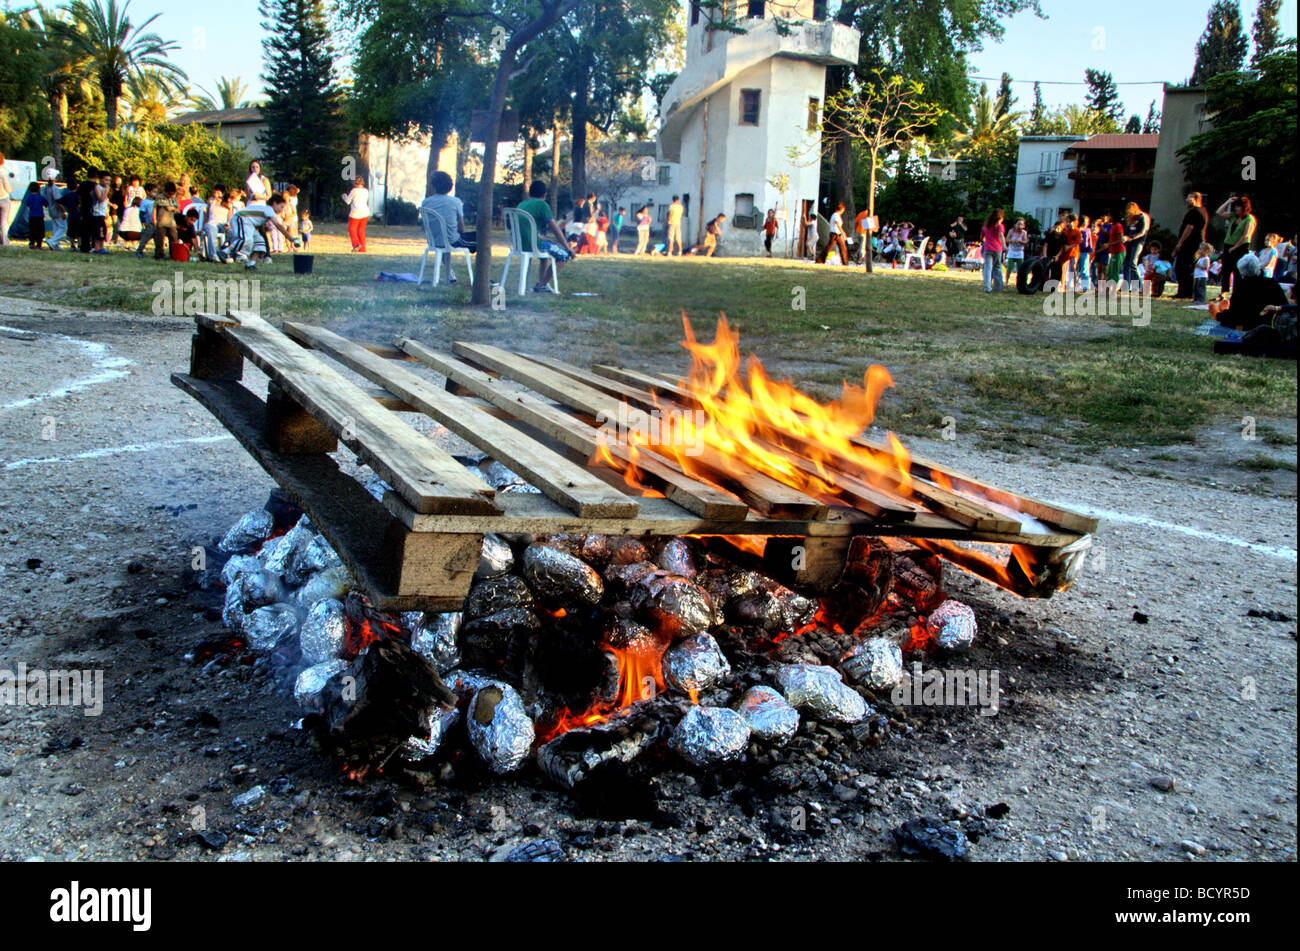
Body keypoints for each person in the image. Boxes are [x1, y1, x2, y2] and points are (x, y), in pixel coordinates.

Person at [516, 180, 573, 292]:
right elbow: (555, 228)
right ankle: (541, 285)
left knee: (546, 254)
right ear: (544, 194)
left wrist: (548, 239)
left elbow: (529, 230)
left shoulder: (521, 204)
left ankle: (541, 284)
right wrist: (567, 247)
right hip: (533, 245)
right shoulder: (542, 204)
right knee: (563, 255)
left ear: (530, 193)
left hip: (519, 244)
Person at [420, 170, 476, 282]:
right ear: (450, 186)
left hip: (434, 241)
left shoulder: (425, 203)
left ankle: (450, 274)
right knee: (483, 240)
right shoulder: (455, 202)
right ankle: (482, 277)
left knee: (444, 240)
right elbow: (461, 228)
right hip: (452, 240)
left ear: (433, 185)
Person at [1214, 253, 1286, 330]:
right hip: (1268, 321)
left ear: (1241, 271)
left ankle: (1218, 313)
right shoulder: (1272, 283)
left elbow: (1234, 310)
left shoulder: (1241, 287)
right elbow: (1283, 304)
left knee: (1226, 316)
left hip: (1247, 321)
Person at [226, 192, 297, 270]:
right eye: (281, 206)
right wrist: (290, 238)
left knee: (260, 244)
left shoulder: (265, 210)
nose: (282, 210)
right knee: (246, 240)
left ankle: (251, 264)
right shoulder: (269, 209)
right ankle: (224, 252)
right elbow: (278, 225)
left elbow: (258, 223)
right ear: (274, 203)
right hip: (241, 218)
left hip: (249, 223)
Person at [1170, 192, 1208, 299]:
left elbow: (1189, 228)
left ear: (1196, 199)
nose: (1187, 200)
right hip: (1197, 243)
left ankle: (1184, 292)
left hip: (1190, 243)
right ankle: (1186, 292)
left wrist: (1180, 242)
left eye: (1189, 198)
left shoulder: (1194, 212)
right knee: (1188, 268)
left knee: (1182, 267)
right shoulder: (1203, 211)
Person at [1215, 194, 1256, 293]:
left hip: (1240, 247)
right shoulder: (1233, 216)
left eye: (1239, 206)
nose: (1236, 208)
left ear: (1244, 207)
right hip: (1228, 245)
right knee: (1226, 271)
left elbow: (1246, 235)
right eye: (1236, 206)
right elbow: (1219, 212)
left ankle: (1237, 293)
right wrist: (1228, 202)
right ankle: (1224, 293)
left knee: (1238, 271)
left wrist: (1235, 247)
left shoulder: (1249, 219)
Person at [1120, 201, 1150, 289]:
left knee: (1132, 263)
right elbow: (1127, 229)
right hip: (1128, 242)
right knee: (1126, 263)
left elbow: (1143, 231)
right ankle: (1126, 285)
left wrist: (1131, 237)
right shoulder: (1131, 218)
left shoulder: (1143, 216)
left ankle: (1139, 286)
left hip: (1138, 242)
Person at [149, 182, 179, 260]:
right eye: (169, 194)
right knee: (160, 240)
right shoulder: (160, 197)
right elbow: (165, 208)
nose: (171, 195)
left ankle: (174, 255)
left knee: (174, 239)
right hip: (161, 222)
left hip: (171, 222)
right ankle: (159, 255)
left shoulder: (174, 199)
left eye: (173, 194)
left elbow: (178, 209)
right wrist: (154, 218)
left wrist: (174, 209)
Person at [342, 176, 370, 252]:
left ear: (355, 183)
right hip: (365, 212)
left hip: (355, 212)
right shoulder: (366, 191)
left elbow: (348, 201)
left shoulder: (354, 190)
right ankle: (362, 248)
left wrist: (344, 196)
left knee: (351, 229)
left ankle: (356, 244)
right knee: (361, 230)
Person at [980, 209, 1005, 292]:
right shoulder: (1000, 226)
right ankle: (998, 287)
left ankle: (988, 287)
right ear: (1000, 218)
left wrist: (986, 241)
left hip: (987, 249)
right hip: (997, 249)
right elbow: (1001, 236)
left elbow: (982, 238)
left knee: (988, 267)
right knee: (997, 267)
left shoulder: (986, 226)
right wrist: (1004, 245)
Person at [1056, 214, 1082, 290]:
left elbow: (1078, 242)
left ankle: (1076, 285)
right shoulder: (1065, 231)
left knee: (1073, 267)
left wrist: (1069, 247)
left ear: (1074, 222)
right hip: (1065, 252)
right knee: (1063, 268)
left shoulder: (1077, 231)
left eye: (1069, 222)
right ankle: (1062, 285)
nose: (1068, 224)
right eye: (1067, 222)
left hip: (1074, 252)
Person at [42, 176, 67, 249]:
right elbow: (58, 201)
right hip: (57, 210)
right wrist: (63, 211)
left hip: (51, 209)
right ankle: (52, 241)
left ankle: (56, 244)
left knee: (55, 227)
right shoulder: (55, 188)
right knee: (63, 227)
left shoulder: (46, 187)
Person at [1004, 217, 1029, 285]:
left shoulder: (1024, 233)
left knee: (1020, 268)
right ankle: (1006, 281)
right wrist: (1013, 241)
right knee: (1009, 267)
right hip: (1012, 251)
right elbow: (1007, 240)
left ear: (1024, 226)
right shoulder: (1011, 231)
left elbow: (1026, 241)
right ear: (1015, 224)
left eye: (1021, 224)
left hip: (1019, 252)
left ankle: (1019, 282)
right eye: (1018, 224)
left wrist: (1021, 242)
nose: (1019, 226)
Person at [21, 183, 46, 249]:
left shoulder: (29, 197)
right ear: (38, 189)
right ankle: (39, 244)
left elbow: (28, 204)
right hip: (39, 216)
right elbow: (46, 203)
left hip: (31, 216)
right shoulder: (40, 197)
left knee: (32, 230)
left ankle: (32, 243)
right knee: (40, 231)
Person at [90, 173, 110, 253]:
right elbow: (100, 199)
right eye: (106, 180)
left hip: (102, 212)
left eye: (109, 180)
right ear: (100, 179)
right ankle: (97, 247)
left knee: (103, 229)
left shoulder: (104, 189)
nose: (107, 182)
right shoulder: (97, 187)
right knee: (99, 230)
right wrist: (106, 191)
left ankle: (102, 247)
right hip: (97, 212)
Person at [0, 152, 12, 245]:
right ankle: (4, 240)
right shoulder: (3, 172)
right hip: (3, 198)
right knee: (4, 221)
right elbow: (7, 187)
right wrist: (11, 189)